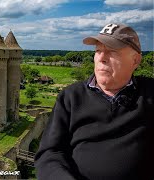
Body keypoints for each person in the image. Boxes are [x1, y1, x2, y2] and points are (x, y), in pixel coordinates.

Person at [34, 23, 154, 180]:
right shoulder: (71, 97)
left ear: (135, 60)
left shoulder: (150, 93)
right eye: (98, 51)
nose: (102, 58)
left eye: (112, 51)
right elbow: (49, 153)